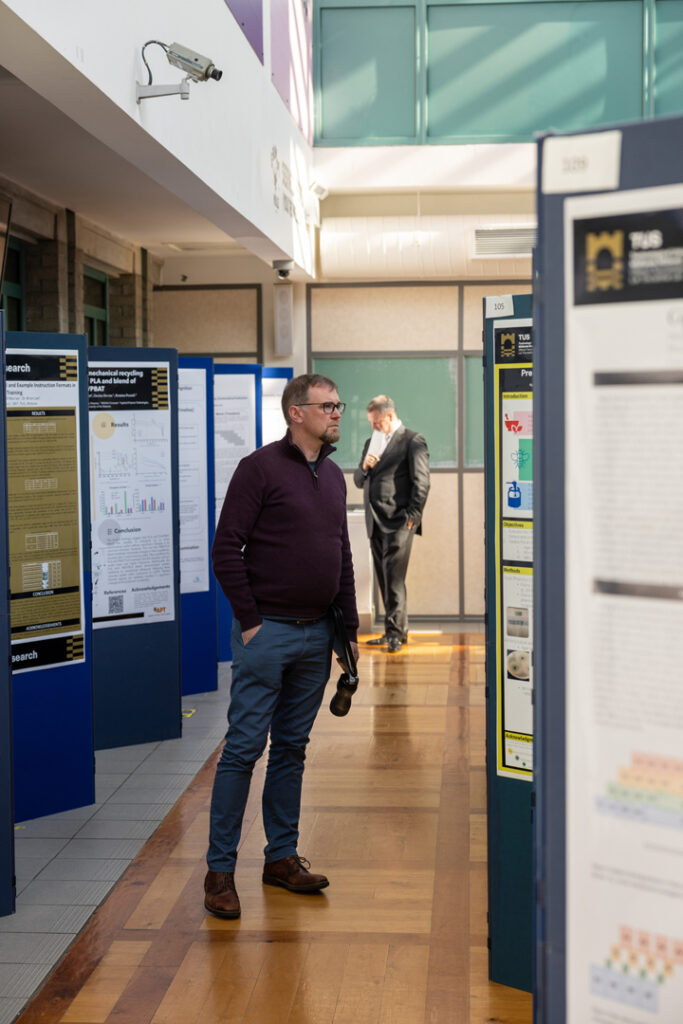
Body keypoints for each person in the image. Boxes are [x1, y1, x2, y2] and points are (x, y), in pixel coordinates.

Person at [204, 374, 359, 919]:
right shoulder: (259, 469)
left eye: (340, 405)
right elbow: (226, 549)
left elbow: (340, 556)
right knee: (244, 750)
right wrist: (250, 622)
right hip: (266, 634)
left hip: (318, 634)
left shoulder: (336, 476)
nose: (338, 413)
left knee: (291, 750)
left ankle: (281, 857)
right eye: (328, 406)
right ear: (297, 412)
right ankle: (219, 872)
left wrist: (349, 632)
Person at [353, 395, 430, 653]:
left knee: (394, 579)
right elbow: (358, 480)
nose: (373, 427)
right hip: (374, 521)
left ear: (389, 415)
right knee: (385, 579)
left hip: (399, 521)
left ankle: (394, 633)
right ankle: (395, 631)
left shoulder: (412, 440)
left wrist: (412, 517)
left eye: (376, 422)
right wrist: (364, 467)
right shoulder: (370, 443)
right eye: (371, 423)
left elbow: (422, 482)